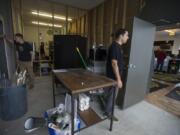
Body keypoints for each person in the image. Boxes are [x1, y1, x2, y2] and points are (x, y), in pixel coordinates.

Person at [105, 28, 129, 121]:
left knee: (112, 95)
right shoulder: (115, 46)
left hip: (114, 76)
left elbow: (117, 62)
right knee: (112, 95)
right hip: (113, 77)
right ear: (121, 36)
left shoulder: (118, 47)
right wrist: (118, 79)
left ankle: (108, 110)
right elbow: (114, 63)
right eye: (126, 35)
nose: (128, 37)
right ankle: (108, 113)